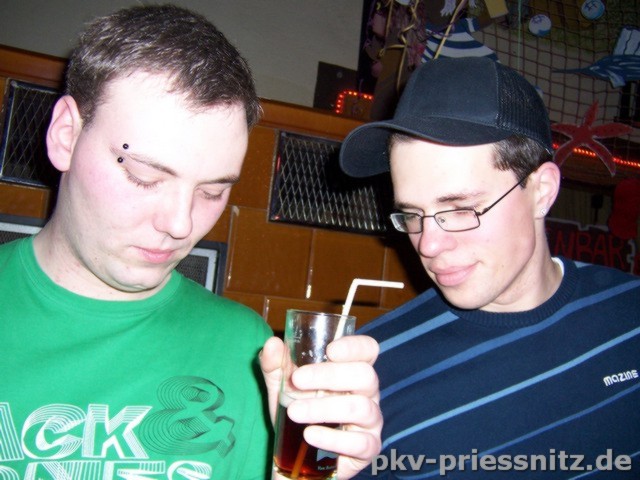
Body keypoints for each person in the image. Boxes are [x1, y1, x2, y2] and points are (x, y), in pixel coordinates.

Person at [0, 5, 382, 479]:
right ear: (65, 136)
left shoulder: (251, 353)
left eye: (213, 191)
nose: (181, 224)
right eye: (144, 176)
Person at [339, 56, 640, 478]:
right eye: (411, 214)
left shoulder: (631, 317)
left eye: (461, 209)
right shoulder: (368, 374)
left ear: (542, 191)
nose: (428, 244)